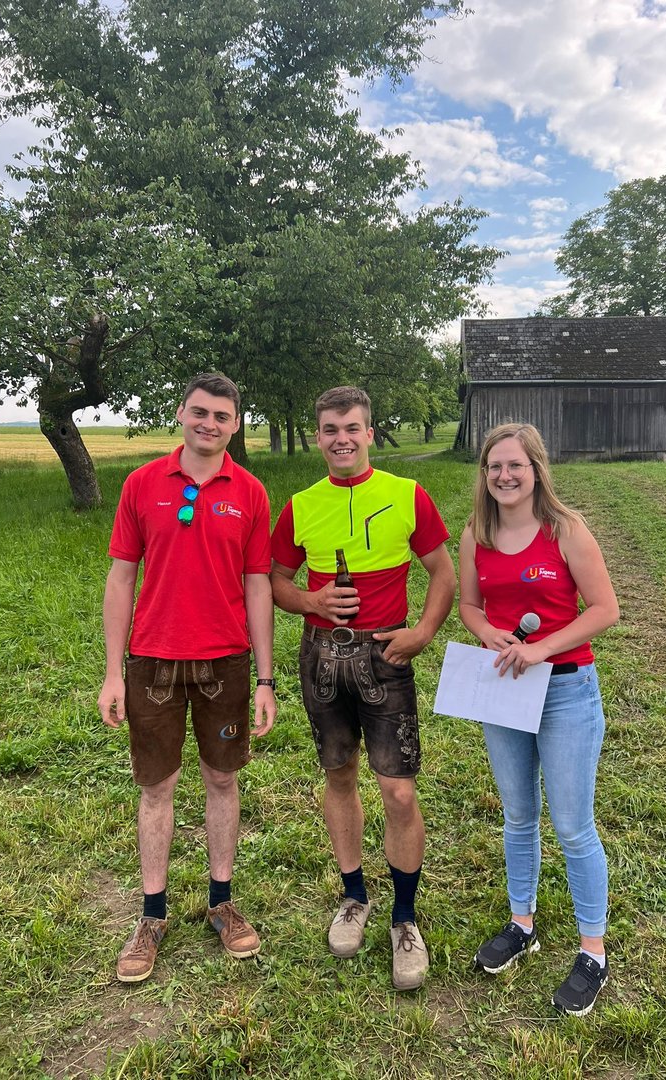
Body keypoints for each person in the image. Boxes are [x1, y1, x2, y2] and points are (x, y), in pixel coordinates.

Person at [270, 386, 455, 991]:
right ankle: (354, 896)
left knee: (398, 792)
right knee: (339, 776)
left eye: (352, 427)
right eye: (330, 429)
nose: (341, 438)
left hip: (384, 656)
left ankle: (404, 917)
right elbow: (276, 580)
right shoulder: (300, 505)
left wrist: (422, 632)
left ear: (370, 433)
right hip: (322, 657)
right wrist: (311, 600)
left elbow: (442, 571)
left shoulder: (407, 494)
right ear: (317, 436)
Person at [97, 372, 276, 983]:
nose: (209, 424)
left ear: (235, 424)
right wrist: (112, 673)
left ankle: (221, 902)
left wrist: (265, 679)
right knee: (157, 787)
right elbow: (122, 577)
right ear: (181, 413)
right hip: (153, 661)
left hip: (225, 662)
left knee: (222, 779)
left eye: (222, 416)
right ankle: (152, 915)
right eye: (200, 412)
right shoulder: (142, 483)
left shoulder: (250, 492)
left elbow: (258, 585)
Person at [458, 421, 619, 1017]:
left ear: (536, 470)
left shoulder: (565, 529)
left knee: (573, 826)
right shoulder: (476, 533)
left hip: (566, 689)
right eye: (494, 466)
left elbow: (605, 609)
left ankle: (593, 951)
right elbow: (469, 605)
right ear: (485, 474)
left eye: (515, 466)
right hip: (506, 690)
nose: (504, 476)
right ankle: (521, 924)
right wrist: (490, 633)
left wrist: (542, 648)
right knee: (519, 816)